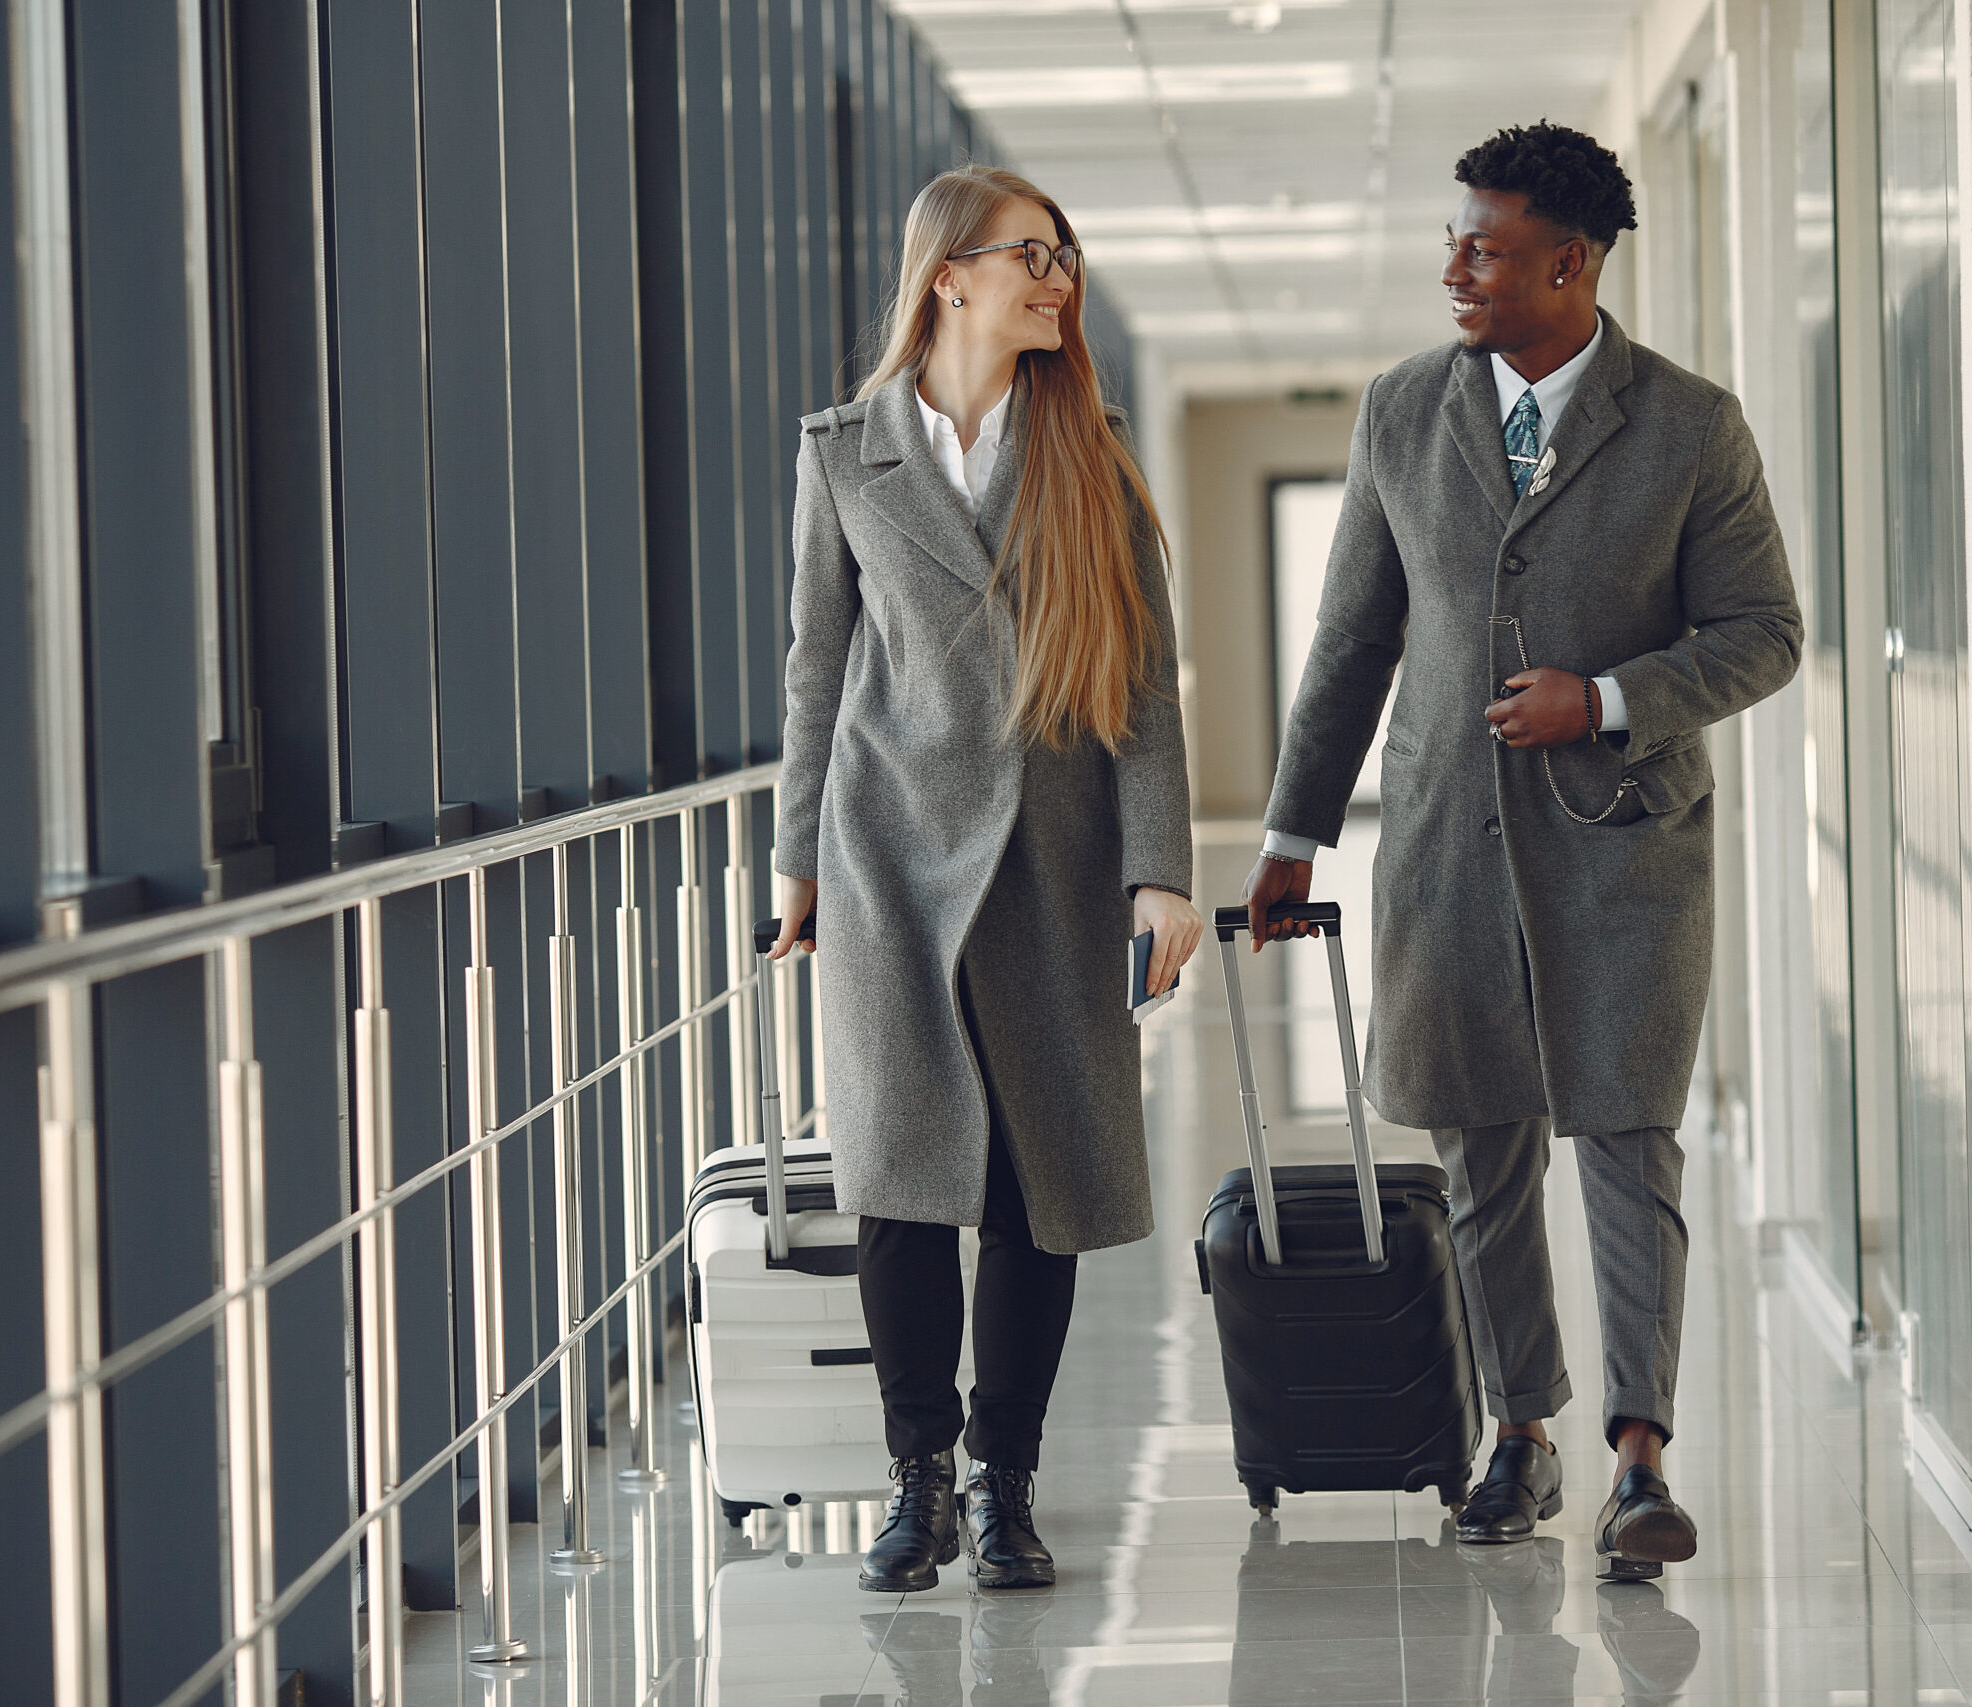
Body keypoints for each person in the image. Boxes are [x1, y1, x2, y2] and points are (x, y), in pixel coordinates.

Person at [1243, 122, 1801, 1578]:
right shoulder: (1398, 414)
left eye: (1481, 248)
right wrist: (1294, 832)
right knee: (1481, 1145)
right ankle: (1519, 1433)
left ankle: (1639, 1457)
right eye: (1454, 241)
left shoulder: (1690, 424)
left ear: (1571, 263)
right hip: (1446, 842)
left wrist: (1608, 699)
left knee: (1626, 1140)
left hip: (1626, 844)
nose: (1453, 270)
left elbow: (1765, 635)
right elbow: (1352, 640)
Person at [768, 164, 1201, 1593]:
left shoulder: (1093, 449)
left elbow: (1142, 682)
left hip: (1053, 859)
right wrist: (793, 862)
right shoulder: (843, 454)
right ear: (948, 272)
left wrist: (1159, 872)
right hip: (886, 855)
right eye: (1033, 254)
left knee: (1038, 1185)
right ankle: (917, 1481)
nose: (1057, 278)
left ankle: (1005, 1482)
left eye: (1064, 257)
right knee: (893, 1179)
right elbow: (816, 675)